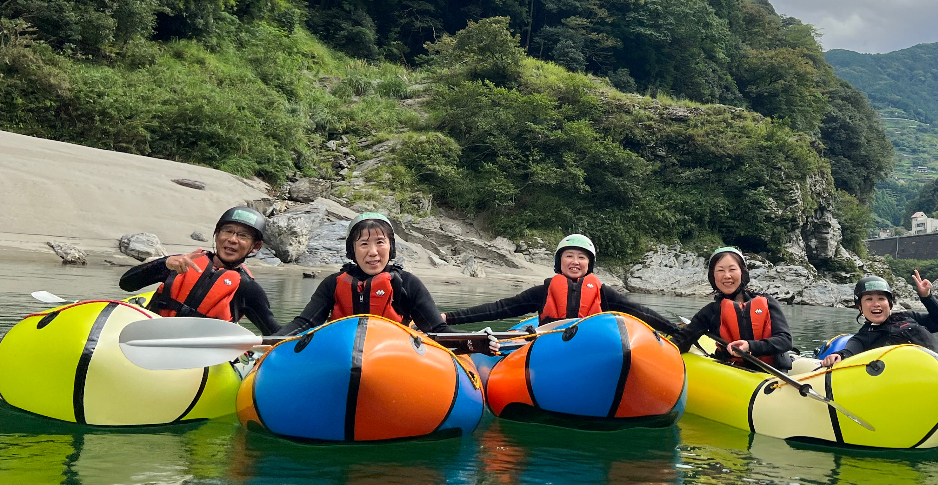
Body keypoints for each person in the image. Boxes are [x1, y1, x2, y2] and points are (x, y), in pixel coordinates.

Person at [442, 234, 680, 336]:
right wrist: (448, 318)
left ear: (589, 264)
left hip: (592, 346)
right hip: (550, 345)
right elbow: (500, 308)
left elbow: (640, 312)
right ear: (559, 261)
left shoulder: (603, 293)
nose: (575, 262)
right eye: (569, 256)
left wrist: (678, 333)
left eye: (582, 257)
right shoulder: (543, 291)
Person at [277, 213, 456, 338]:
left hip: (397, 358)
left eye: (380, 242)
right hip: (340, 356)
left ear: (390, 247)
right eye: (364, 244)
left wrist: (473, 343)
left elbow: (437, 329)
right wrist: (271, 342)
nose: (373, 252)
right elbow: (304, 323)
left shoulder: (408, 283)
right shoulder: (332, 284)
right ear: (352, 250)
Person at [119, 207, 279, 334]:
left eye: (243, 236)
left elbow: (274, 332)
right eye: (228, 231)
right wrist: (163, 263)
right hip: (150, 336)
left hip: (197, 360)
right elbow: (126, 284)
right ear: (216, 235)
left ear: (255, 246)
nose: (232, 239)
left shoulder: (247, 287)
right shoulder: (182, 262)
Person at [671, 246, 793, 368]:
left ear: (742, 273)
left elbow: (785, 340)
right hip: (732, 371)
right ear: (713, 276)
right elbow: (682, 340)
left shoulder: (768, 302)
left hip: (771, 373)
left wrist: (750, 346)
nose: (727, 276)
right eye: (720, 270)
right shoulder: (711, 312)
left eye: (732, 269)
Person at [818, 271, 938, 368]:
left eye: (881, 298)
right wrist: (838, 356)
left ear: (889, 303)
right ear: (860, 307)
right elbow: (849, 352)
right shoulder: (863, 337)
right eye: (869, 299)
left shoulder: (908, 317)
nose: (876, 304)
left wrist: (927, 297)